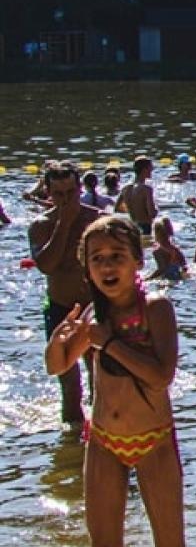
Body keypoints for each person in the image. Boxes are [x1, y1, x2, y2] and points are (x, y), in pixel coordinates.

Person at [45, 217, 193, 547]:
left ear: (137, 262)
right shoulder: (96, 313)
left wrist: (107, 341)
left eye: (117, 257)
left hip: (154, 440)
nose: (108, 267)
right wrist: (59, 341)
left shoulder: (155, 308)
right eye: (98, 260)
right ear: (87, 268)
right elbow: (58, 367)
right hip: (105, 441)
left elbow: (162, 376)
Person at [29, 161, 103, 425]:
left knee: (101, 383)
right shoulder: (41, 225)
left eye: (70, 193)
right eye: (58, 194)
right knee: (70, 388)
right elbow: (46, 265)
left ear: (79, 188)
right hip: (61, 309)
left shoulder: (97, 220)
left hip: (96, 309)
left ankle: (99, 444)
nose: (65, 199)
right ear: (48, 193)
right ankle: (71, 446)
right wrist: (63, 223)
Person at [113, 156, 158, 236]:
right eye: (150, 169)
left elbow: (117, 209)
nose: (152, 171)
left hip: (132, 226)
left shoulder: (125, 188)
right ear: (144, 170)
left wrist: (132, 209)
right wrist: (157, 209)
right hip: (146, 227)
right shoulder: (147, 189)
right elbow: (152, 213)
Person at [150, 217, 187, 282]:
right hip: (178, 277)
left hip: (167, 279)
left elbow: (161, 269)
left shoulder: (157, 251)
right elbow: (184, 265)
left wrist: (149, 278)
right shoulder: (176, 249)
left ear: (155, 234)